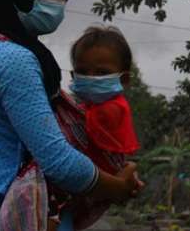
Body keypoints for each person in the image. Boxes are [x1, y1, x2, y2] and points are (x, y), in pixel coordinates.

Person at [0, 0, 141, 231]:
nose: (57, 1)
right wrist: (118, 187)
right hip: (16, 212)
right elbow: (58, 161)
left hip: (18, 209)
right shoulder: (13, 58)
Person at [42, 25, 141, 231]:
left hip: (91, 184)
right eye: (82, 71)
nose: (91, 77)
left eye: (102, 72)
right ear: (73, 73)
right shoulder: (86, 107)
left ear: (123, 79)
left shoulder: (112, 108)